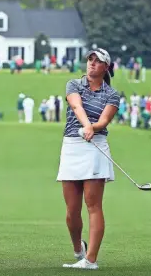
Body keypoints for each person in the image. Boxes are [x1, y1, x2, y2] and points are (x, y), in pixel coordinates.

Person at [57, 48, 120, 270]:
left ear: (106, 67)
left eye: (98, 61)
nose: (92, 63)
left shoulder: (112, 94)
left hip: (95, 148)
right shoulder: (74, 84)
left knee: (93, 205)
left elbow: (103, 122)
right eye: (90, 59)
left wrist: (92, 128)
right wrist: (86, 126)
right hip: (73, 146)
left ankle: (91, 260)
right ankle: (78, 250)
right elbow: (76, 106)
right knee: (71, 210)